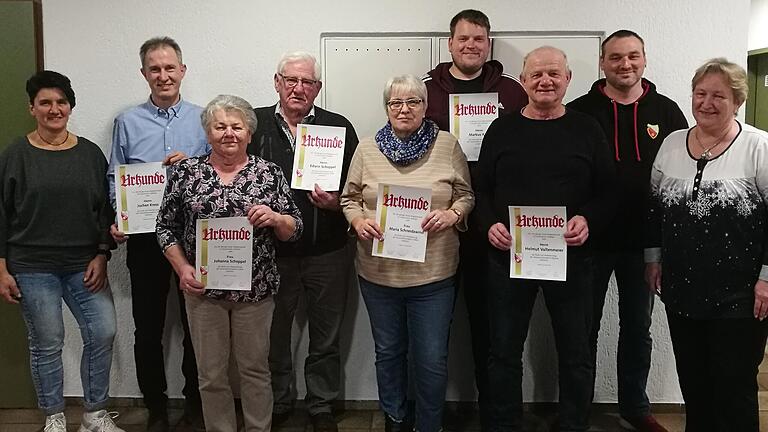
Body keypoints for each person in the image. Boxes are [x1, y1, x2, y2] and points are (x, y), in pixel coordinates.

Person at [475, 47, 615, 432]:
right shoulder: (501, 128)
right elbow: (481, 190)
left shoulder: (587, 128)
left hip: (572, 258)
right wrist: (488, 224)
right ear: (523, 82)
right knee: (503, 351)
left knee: (576, 351)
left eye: (554, 73)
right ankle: (504, 424)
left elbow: (608, 191)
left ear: (568, 79)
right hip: (509, 257)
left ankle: (573, 423)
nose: (545, 81)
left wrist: (588, 219)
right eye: (536, 75)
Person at [156, 94, 303, 432]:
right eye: (220, 126)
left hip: (256, 291)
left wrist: (276, 218)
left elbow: (295, 228)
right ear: (207, 133)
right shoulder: (186, 173)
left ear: (249, 133)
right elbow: (165, 227)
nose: (229, 134)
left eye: (237, 127)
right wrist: (182, 268)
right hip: (202, 291)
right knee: (210, 374)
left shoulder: (268, 173)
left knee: (255, 370)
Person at [567, 30, 687, 432]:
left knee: (638, 329)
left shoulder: (667, 111)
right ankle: (577, 410)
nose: (625, 64)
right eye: (615, 57)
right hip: (589, 240)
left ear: (644, 59)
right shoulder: (579, 111)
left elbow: (682, 176)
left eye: (633, 56)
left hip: (645, 244)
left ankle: (634, 406)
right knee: (583, 328)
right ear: (602, 62)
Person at [341, 74, 474, 432]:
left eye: (413, 101)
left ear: (425, 105)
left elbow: (466, 195)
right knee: (388, 353)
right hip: (378, 275)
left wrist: (452, 214)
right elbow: (349, 198)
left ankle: (429, 425)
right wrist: (357, 221)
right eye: (395, 102)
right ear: (386, 107)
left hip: (434, 277)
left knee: (431, 359)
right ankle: (396, 418)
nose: (404, 109)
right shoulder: (367, 149)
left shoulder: (447, 145)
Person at [644, 58, 768, 432]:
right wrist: (653, 259)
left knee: (734, 390)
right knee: (695, 387)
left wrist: (766, 278)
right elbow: (653, 209)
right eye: (700, 94)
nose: (707, 103)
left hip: (741, 294)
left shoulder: (758, 146)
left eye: (719, 96)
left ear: (738, 102)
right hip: (682, 290)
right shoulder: (670, 144)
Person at [0, 71, 123, 432]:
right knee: (48, 342)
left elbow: (104, 210)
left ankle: (94, 415)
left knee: (103, 331)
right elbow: (2, 214)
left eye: (61, 102)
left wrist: (102, 254)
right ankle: (54, 417)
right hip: (31, 266)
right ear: (32, 108)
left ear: (70, 106)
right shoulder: (15, 155)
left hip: (83, 264)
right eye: (45, 103)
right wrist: (2, 267)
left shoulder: (89, 154)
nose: (55, 109)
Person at [422, 12, 528, 426]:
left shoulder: (511, 92)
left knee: (492, 330)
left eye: (479, 39)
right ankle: (429, 412)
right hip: (435, 226)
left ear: (489, 44)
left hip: (493, 228)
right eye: (463, 38)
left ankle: (494, 417)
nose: (471, 45)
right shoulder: (426, 92)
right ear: (449, 43)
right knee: (432, 328)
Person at [247, 51, 359, 432]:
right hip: (270, 255)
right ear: (276, 82)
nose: (298, 88)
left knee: (326, 336)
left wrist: (336, 202)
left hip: (328, 252)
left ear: (318, 88)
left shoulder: (338, 127)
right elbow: (229, 167)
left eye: (307, 82)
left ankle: (321, 405)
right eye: (290, 80)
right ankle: (279, 402)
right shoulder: (253, 123)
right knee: (274, 335)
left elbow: (357, 190)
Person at [107, 36, 208, 432]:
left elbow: (220, 171)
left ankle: (196, 403)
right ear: (144, 73)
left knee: (196, 326)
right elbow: (114, 177)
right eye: (155, 69)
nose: (163, 75)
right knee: (148, 329)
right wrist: (118, 216)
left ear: (182, 70)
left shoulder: (204, 119)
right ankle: (157, 408)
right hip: (145, 239)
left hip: (193, 238)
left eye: (170, 68)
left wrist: (193, 164)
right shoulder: (127, 122)